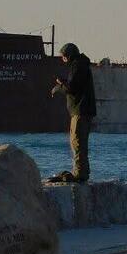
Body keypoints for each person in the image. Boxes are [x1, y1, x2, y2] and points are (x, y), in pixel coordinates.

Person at [48, 43, 96, 183]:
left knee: (77, 141)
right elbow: (75, 85)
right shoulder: (81, 64)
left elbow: (72, 88)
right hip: (83, 110)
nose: (62, 60)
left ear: (68, 56)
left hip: (80, 110)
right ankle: (81, 172)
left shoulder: (78, 66)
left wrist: (59, 86)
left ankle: (80, 174)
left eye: (63, 57)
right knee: (78, 141)